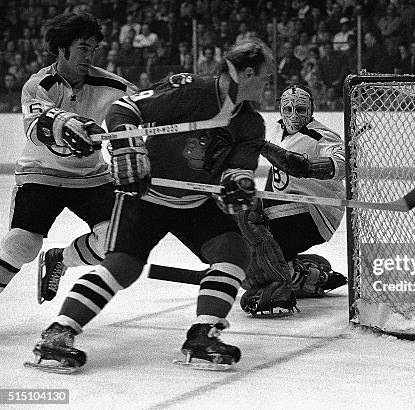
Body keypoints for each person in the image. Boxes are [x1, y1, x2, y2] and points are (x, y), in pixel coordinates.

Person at [28, 38, 275, 372]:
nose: (268, 83)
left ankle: (203, 335)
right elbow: (124, 109)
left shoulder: (250, 122)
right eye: (265, 76)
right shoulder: (191, 90)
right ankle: (57, 335)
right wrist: (128, 144)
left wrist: (238, 183)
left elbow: (240, 166)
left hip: (196, 201)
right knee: (123, 266)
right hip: (147, 194)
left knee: (234, 251)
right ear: (246, 73)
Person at [0, 13, 137, 299]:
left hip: (91, 177)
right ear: (62, 49)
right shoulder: (39, 84)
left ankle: (60, 259)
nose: (89, 56)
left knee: (115, 241)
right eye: (82, 49)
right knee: (20, 245)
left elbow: (144, 106)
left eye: (93, 49)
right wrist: (70, 125)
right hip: (41, 175)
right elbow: (36, 128)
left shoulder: (115, 86)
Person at [238, 84, 347, 315]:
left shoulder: (321, 135)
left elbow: (343, 163)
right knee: (245, 224)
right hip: (292, 208)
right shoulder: (277, 131)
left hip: (317, 211)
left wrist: (307, 166)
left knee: (249, 216)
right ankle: (296, 274)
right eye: (288, 109)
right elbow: (275, 178)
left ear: (311, 110)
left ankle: (280, 284)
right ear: (280, 110)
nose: (294, 115)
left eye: (300, 109)